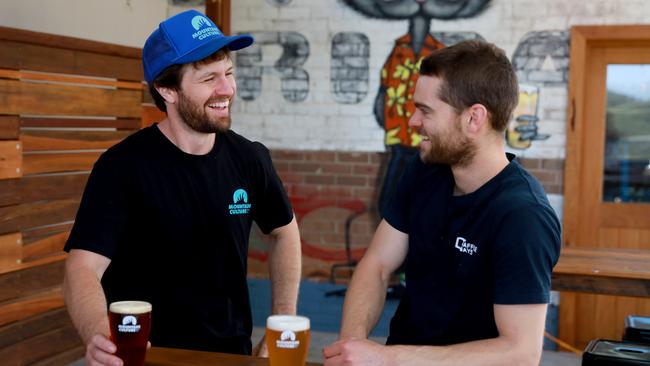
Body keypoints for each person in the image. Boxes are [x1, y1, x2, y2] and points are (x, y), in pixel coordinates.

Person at [63, 10, 301, 366]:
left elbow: (284, 232)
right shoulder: (121, 168)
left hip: (230, 355)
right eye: (209, 79)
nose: (227, 89)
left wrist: (280, 324)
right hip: (146, 357)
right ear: (166, 89)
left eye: (229, 73)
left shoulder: (250, 158)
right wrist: (100, 334)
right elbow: (81, 269)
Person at [324, 40, 561, 365]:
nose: (412, 122)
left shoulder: (523, 214)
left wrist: (388, 359)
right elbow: (377, 266)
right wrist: (352, 345)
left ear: (474, 118)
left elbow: (520, 352)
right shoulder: (425, 170)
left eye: (425, 111)